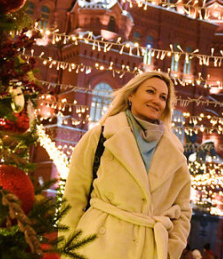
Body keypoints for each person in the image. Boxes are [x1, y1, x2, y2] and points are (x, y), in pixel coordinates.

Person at [60, 70, 192, 259]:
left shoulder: (175, 152)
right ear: (131, 94)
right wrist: (67, 248)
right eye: (150, 92)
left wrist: (172, 249)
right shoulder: (100, 136)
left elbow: (183, 209)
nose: (157, 100)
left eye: (163, 97)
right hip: (97, 244)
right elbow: (73, 197)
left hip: (148, 250)